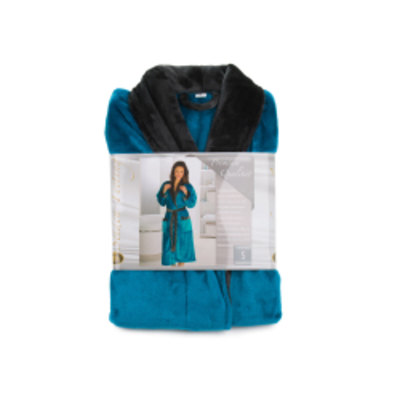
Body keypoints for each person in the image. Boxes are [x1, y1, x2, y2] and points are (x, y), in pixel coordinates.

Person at [156, 161, 197, 267]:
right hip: (169, 217)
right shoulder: (166, 185)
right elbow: (161, 202)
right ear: (173, 172)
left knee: (182, 242)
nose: (179, 174)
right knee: (169, 242)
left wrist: (187, 193)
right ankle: (173, 268)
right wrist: (163, 191)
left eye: (181, 172)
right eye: (177, 171)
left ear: (184, 173)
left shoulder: (188, 187)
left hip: (182, 217)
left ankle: (181, 267)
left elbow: (192, 204)